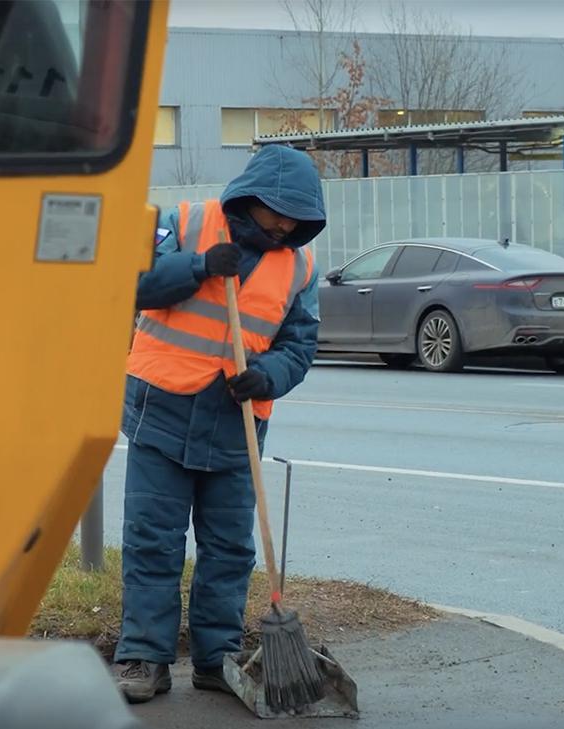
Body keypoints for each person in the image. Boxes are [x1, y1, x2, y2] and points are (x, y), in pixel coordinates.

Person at [111, 144, 326, 703]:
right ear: (250, 197)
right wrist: (200, 266)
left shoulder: (300, 266)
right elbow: (133, 283)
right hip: (162, 411)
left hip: (235, 427)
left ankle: (216, 658)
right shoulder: (182, 223)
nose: (283, 226)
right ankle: (143, 656)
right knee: (153, 542)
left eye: (295, 219)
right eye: (276, 212)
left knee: (230, 550)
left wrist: (268, 376)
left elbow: (299, 346)